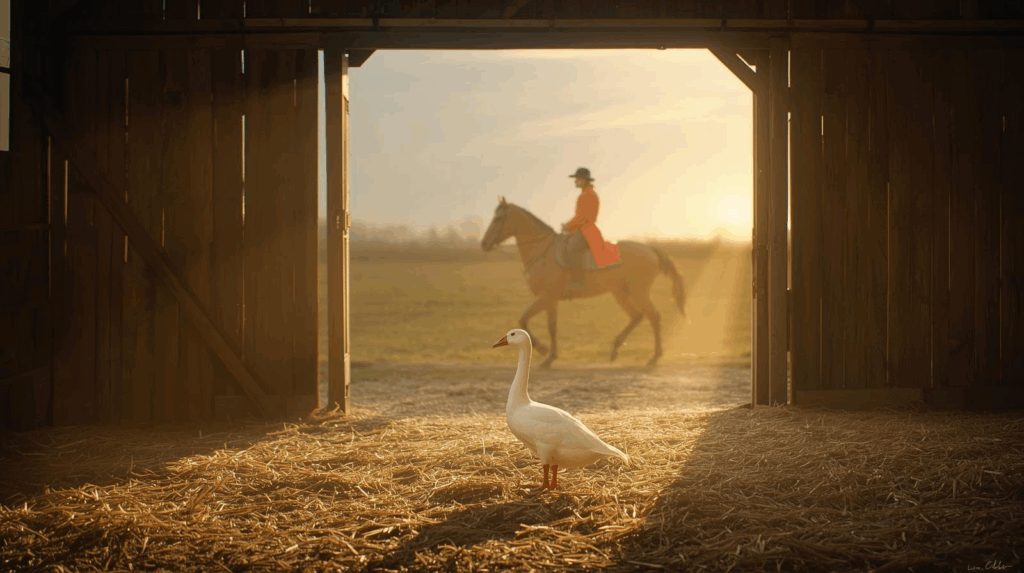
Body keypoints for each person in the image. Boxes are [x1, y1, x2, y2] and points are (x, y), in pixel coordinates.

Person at [561, 167, 621, 293]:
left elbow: (583, 217)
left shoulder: (589, 195)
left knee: (571, 249)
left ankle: (578, 281)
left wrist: (568, 226)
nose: (575, 181)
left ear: (584, 180)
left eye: (577, 179)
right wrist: (569, 226)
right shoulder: (585, 194)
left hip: (586, 230)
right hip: (581, 229)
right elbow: (579, 216)